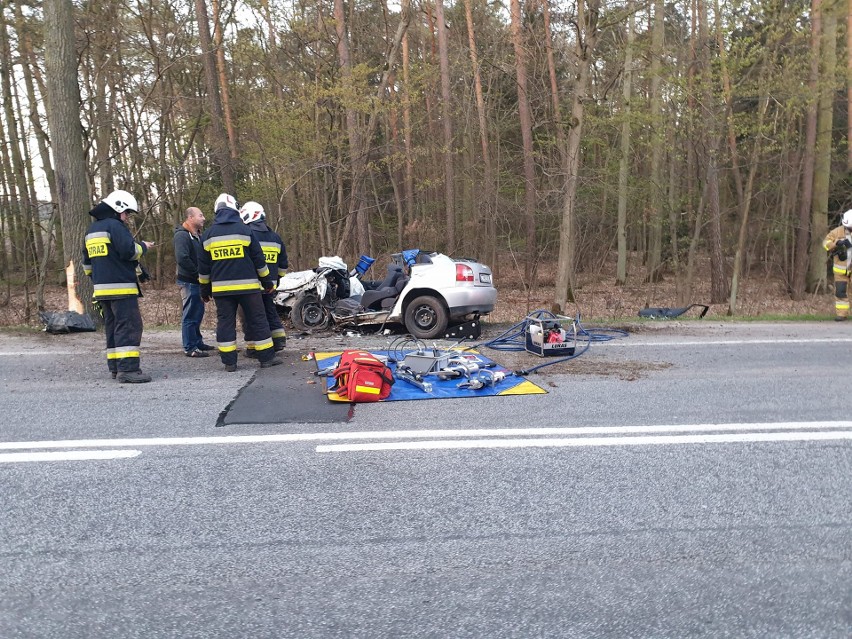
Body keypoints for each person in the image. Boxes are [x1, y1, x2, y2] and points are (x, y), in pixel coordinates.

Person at [198, 193, 282, 372]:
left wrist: (204, 290)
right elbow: (259, 260)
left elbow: (204, 269)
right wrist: (267, 282)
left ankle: (230, 362)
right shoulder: (245, 231)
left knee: (225, 322)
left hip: (222, 290)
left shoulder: (208, 235)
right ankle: (266, 358)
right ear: (235, 210)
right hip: (249, 289)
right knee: (258, 320)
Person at [82, 190, 155, 383]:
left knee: (113, 327)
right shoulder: (115, 226)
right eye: (127, 213)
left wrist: (98, 279)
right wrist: (143, 247)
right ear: (118, 208)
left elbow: (86, 264)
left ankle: (115, 367)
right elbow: (129, 252)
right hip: (122, 289)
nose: (127, 217)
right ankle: (128, 370)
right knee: (129, 326)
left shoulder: (91, 230)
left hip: (101, 290)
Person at [239, 201, 288, 354]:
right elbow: (283, 264)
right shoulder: (275, 237)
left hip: (252, 285)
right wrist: (276, 280)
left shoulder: (247, 234)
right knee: (270, 312)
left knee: (250, 317)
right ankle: (279, 341)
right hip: (270, 285)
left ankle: (253, 347)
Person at [173, 206, 214, 357]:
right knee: (190, 314)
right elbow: (182, 258)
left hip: (197, 281)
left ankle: (197, 342)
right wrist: (198, 274)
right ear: (190, 218)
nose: (203, 218)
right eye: (200, 215)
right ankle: (190, 347)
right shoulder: (182, 236)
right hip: (189, 281)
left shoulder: (197, 236)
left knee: (198, 312)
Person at [824, 209, 852, 321]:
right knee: (840, 292)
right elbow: (825, 243)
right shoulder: (837, 232)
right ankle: (842, 314)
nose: (848, 230)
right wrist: (836, 243)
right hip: (840, 271)